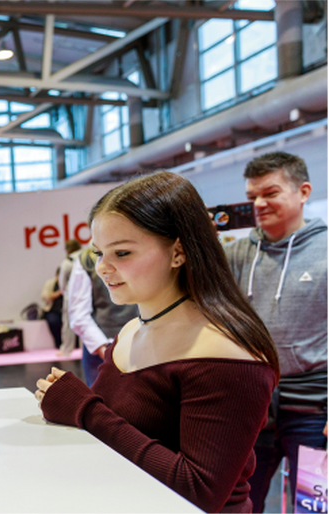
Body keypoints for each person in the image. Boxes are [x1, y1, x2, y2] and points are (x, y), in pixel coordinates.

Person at [35, 172, 279, 514]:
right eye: (98, 254)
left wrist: (84, 409)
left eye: (121, 253)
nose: (103, 268)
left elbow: (200, 490)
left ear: (178, 251)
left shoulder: (228, 354)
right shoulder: (130, 333)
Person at [223, 152, 329, 514]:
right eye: (252, 196)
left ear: (303, 192)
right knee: (240, 504)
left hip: (315, 410)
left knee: (314, 507)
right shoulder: (237, 253)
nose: (259, 204)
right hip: (254, 407)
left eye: (269, 193)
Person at [65, 246, 139, 385]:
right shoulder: (86, 260)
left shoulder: (139, 251)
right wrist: (104, 350)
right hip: (102, 345)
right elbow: (78, 313)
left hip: (140, 342)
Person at [57, 239, 82, 353]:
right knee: (86, 322)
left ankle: (66, 350)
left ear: (67, 250)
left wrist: (65, 292)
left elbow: (61, 283)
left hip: (70, 296)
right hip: (85, 296)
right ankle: (86, 350)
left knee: (67, 324)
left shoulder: (67, 262)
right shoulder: (86, 258)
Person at [41, 267, 64, 349]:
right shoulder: (50, 283)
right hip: (53, 310)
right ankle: (58, 344)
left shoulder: (71, 283)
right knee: (53, 321)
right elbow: (44, 296)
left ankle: (73, 345)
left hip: (67, 311)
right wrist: (60, 292)